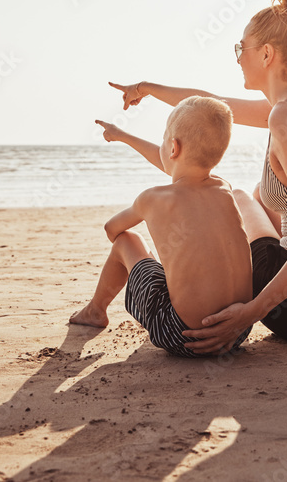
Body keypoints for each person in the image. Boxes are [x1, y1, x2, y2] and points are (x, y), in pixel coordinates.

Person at [109, 0, 287, 352]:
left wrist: (251, 313)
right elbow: (210, 101)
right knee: (257, 195)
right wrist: (146, 88)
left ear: (267, 54)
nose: (239, 58)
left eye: (242, 48)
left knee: (241, 196)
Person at [69, 96, 253, 358]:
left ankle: (95, 310)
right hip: (237, 330)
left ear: (173, 147)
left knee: (128, 240)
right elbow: (178, 166)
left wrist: (150, 248)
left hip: (184, 336)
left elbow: (112, 229)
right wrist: (123, 136)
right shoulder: (223, 188)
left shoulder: (153, 198)